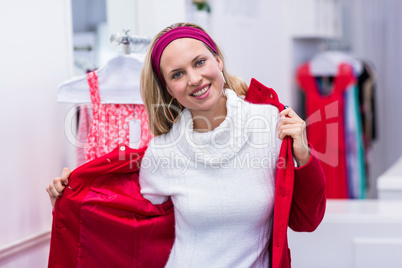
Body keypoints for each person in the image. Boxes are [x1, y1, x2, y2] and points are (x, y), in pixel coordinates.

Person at [47, 22, 326, 268]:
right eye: (177, 74)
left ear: (218, 60)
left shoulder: (270, 126)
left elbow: (306, 220)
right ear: (168, 88)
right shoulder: (164, 152)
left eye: (200, 62)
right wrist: (70, 197)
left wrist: (303, 155)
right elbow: (121, 225)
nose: (194, 79)